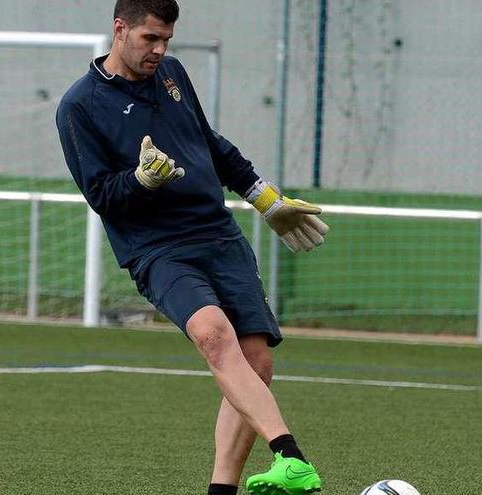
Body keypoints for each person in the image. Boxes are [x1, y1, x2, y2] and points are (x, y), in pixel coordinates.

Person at [56, 1, 329, 493]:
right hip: (158, 249)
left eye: (166, 40)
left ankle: (221, 488)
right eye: (150, 39)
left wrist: (267, 201)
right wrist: (140, 181)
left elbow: (210, 144)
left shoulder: (173, 74)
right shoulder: (79, 106)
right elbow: (102, 197)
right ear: (120, 29)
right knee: (212, 335)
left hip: (219, 237)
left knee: (257, 363)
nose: (160, 50)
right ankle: (291, 456)